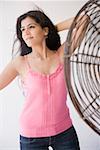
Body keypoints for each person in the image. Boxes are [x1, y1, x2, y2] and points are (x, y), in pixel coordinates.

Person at [0, 7, 88, 150]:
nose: (26, 33)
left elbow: (84, 20)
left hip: (64, 133)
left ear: (45, 30)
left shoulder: (61, 55)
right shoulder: (20, 63)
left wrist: (52, 29)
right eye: (22, 30)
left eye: (31, 27)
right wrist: (41, 31)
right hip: (31, 137)